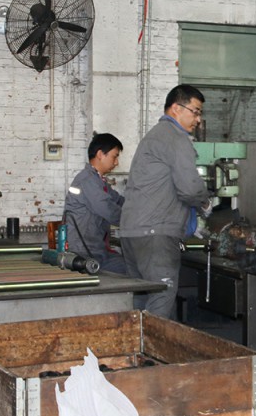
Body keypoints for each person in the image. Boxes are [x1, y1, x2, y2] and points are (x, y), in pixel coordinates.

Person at [120, 84, 211, 318]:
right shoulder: (176, 138)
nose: (198, 119)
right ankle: (153, 343)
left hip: (132, 233)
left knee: (140, 299)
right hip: (155, 235)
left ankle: (136, 342)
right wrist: (205, 203)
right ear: (176, 108)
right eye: (195, 112)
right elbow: (189, 188)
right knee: (161, 297)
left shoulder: (154, 136)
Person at [63, 132, 127, 274]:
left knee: (131, 266)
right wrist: (138, 221)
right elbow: (110, 211)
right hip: (85, 254)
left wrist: (142, 205)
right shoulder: (87, 181)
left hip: (98, 250)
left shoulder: (98, 182)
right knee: (131, 270)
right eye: (114, 156)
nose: (116, 162)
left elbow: (119, 201)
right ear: (100, 154)